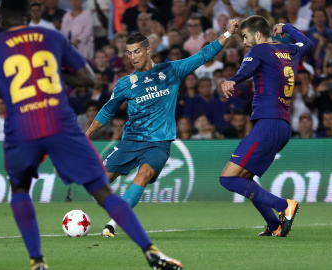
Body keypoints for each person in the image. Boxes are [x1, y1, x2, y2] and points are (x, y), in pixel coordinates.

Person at [0, 1, 183, 270]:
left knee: (20, 188)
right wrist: (52, 75)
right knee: (103, 192)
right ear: (29, 16)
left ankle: (37, 261)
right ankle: (151, 252)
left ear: (1, 18)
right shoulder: (51, 37)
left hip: (23, 129)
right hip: (60, 125)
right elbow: (87, 78)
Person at [86, 20, 239, 237]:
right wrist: (87, 135)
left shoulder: (171, 71)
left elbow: (204, 55)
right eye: (129, 53)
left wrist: (228, 33)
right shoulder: (125, 83)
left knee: (145, 173)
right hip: (130, 141)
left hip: (158, 142)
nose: (133, 57)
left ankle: (114, 222)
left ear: (148, 50)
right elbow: (106, 111)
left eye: (137, 51)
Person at [220, 16, 313, 237]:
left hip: (267, 125)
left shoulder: (258, 51)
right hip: (283, 127)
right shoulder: (291, 50)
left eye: (245, 36)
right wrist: (287, 27)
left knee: (228, 178)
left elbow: (246, 70)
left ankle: (284, 206)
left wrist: (232, 80)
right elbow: (307, 43)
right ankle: (275, 226)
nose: (244, 42)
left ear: (258, 35)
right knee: (245, 178)